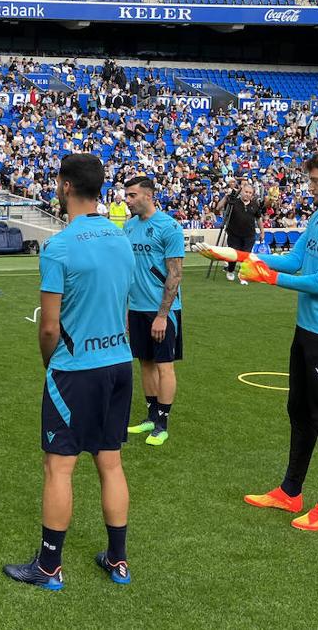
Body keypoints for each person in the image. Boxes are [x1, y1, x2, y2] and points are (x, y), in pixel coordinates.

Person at [202, 147, 318, 532]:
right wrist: (237, 254)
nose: (310, 186)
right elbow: (296, 260)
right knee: (298, 410)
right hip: (308, 330)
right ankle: (290, 491)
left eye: (315, 180)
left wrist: (266, 277)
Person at [3, 153, 136, 590]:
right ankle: (118, 561)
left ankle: (48, 567)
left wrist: (49, 362)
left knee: (58, 467)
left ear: (63, 185)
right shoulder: (121, 238)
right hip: (119, 363)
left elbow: (48, 325)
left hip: (76, 369)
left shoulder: (60, 246)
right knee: (110, 463)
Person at [122, 177, 185, 446]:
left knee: (164, 366)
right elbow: (127, 271)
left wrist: (162, 315)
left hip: (162, 312)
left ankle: (162, 422)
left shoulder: (169, 227)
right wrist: (126, 308)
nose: (127, 199)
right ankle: (150, 415)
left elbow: (175, 275)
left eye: (132, 195)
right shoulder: (128, 227)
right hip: (136, 309)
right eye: (126, 195)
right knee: (145, 362)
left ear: (148, 196)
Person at [216, 181, 262, 284]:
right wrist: (226, 197)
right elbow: (218, 208)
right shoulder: (233, 202)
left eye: (250, 193)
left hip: (249, 235)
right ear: (241, 192)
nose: (248, 194)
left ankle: (243, 275)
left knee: (246, 256)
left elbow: (259, 219)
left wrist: (262, 232)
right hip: (234, 233)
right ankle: (230, 270)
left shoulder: (255, 204)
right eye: (246, 191)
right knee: (234, 254)